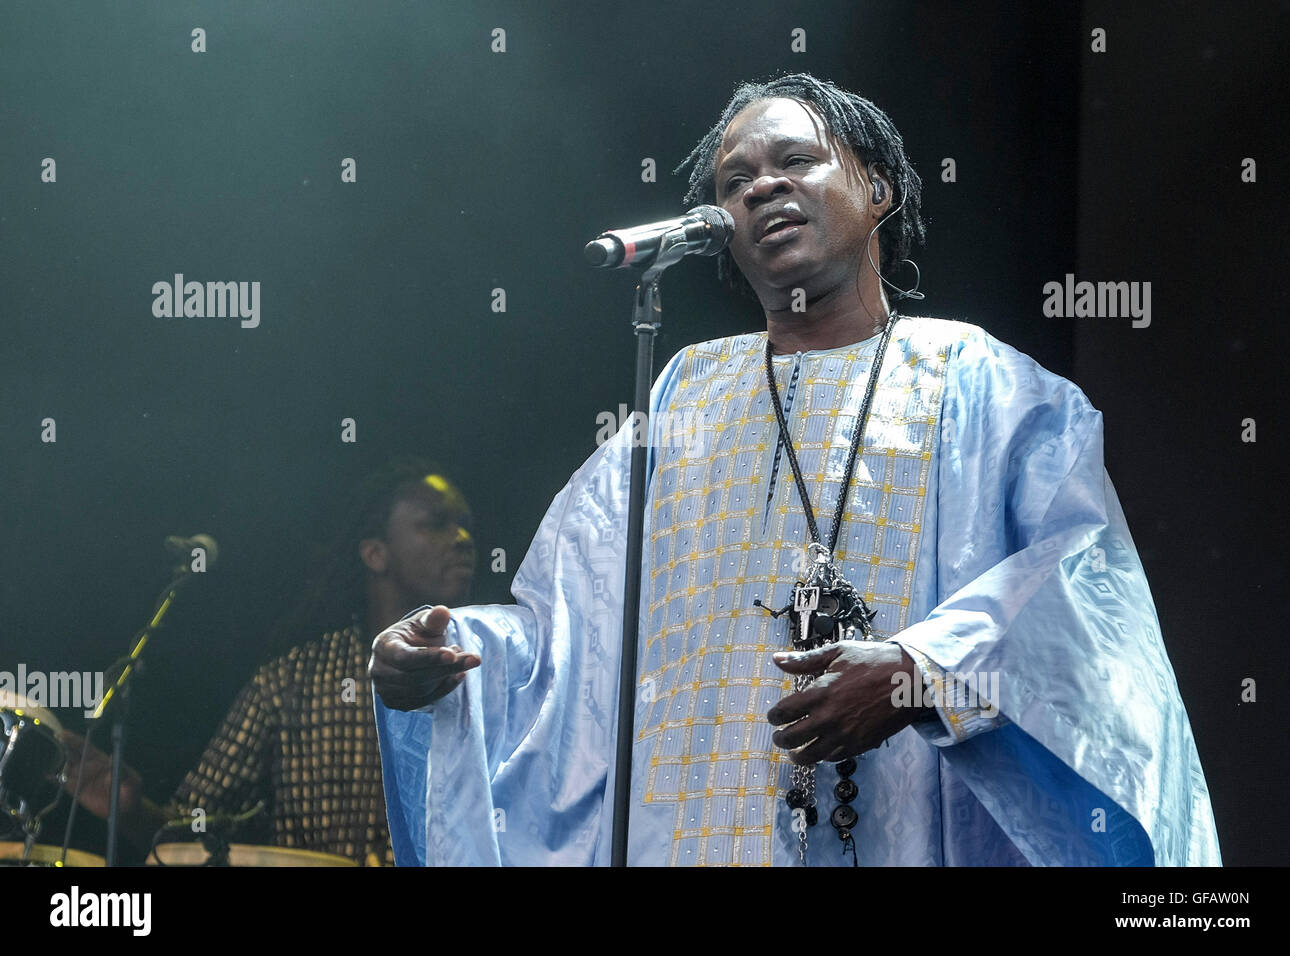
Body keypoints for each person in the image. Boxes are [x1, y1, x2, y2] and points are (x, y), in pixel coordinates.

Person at [370, 74, 1220, 867]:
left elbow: (1087, 601)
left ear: (878, 189)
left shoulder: (984, 383)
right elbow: (572, 645)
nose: (759, 188)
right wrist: (452, 659)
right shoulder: (688, 391)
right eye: (734, 181)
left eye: (795, 160)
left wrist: (924, 674)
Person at [65, 458, 475, 866]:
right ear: (375, 553)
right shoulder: (293, 682)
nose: (462, 538)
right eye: (437, 523)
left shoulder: (496, 675)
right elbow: (189, 834)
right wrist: (130, 809)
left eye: (465, 524)